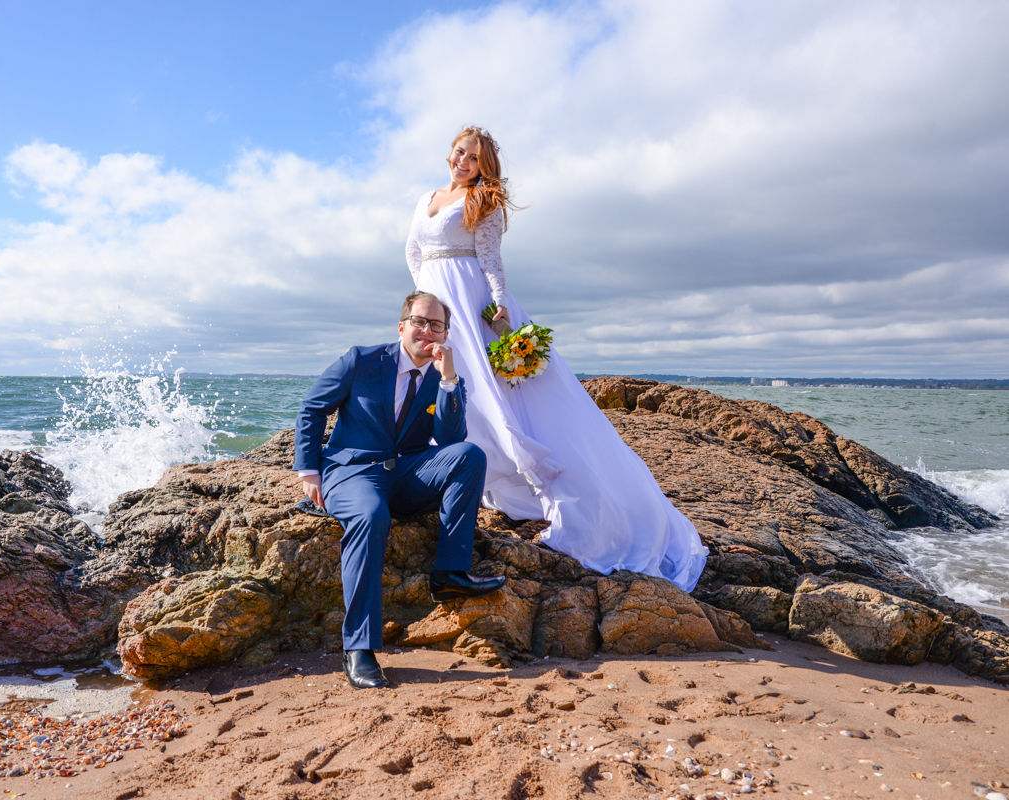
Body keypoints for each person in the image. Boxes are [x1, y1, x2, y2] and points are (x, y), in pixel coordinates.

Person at [404, 126, 708, 592]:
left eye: (474, 158)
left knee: (495, 393)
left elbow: (490, 259)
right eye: (460, 152)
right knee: (445, 389)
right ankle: (459, 472)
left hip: (470, 302)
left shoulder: (482, 200)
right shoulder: (427, 197)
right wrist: (424, 299)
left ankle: (562, 492)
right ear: (450, 152)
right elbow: (413, 250)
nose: (463, 161)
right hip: (437, 304)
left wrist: (498, 303)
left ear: (484, 166)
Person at [294, 291, 507, 690]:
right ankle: (359, 647)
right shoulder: (361, 360)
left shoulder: (445, 377)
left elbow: (450, 440)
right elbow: (312, 408)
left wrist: (448, 379)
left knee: (469, 456)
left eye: (436, 325)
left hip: (406, 472)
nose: (427, 330)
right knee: (372, 515)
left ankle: (449, 573)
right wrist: (309, 471)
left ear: (445, 334)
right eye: (419, 321)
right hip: (352, 471)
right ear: (402, 326)